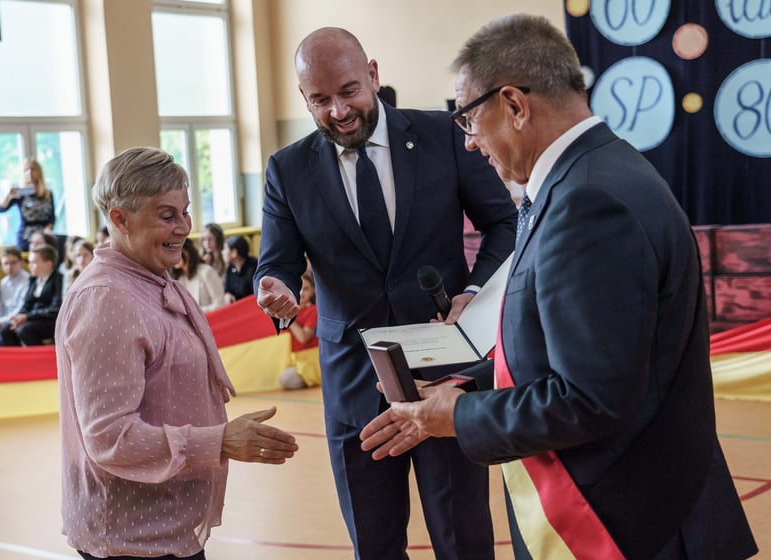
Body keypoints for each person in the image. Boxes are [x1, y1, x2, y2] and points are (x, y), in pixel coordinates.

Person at [360, 14, 758, 560]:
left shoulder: (588, 203)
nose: (470, 144)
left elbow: (589, 398)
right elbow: (568, 350)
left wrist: (455, 416)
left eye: (467, 120)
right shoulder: (594, 176)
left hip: (628, 523)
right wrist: (458, 389)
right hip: (643, 508)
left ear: (515, 105)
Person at [254, 27, 517, 560]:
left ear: (373, 75)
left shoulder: (444, 134)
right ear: (304, 99)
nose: (339, 111)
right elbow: (277, 262)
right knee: (374, 547)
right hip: (354, 386)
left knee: (464, 540)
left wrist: (472, 292)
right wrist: (274, 287)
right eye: (320, 100)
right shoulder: (287, 169)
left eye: (348, 91)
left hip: (446, 380)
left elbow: (505, 227)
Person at [55, 146, 298, 560]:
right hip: (130, 537)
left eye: (185, 212)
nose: (185, 227)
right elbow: (109, 437)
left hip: (162, 526)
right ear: (119, 219)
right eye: (167, 215)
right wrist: (219, 441)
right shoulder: (107, 299)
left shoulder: (152, 280)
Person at [0, 245, 63, 346]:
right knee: (6, 329)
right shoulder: (34, 280)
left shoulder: (58, 280)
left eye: (33, 262)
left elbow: (55, 309)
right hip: (33, 318)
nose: (29, 265)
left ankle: (39, 359)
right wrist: (18, 317)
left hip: (49, 320)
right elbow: (27, 303)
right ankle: (19, 359)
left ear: (48, 264)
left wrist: (27, 317)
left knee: (24, 330)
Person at [0, 158, 55, 251]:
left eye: (33, 169)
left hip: (44, 235)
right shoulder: (20, 193)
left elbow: (52, 216)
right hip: (27, 236)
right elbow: (1, 209)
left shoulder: (48, 194)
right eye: (26, 170)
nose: (30, 173)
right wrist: (9, 195)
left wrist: (48, 228)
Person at [278, 269, 319, 390]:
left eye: (306, 289)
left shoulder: (313, 310)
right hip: (294, 359)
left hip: (310, 361)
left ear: (313, 291)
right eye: (298, 288)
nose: (301, 293)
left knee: (285, 379)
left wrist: (289, 319)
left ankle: (315, 377)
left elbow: (303, 337)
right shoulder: (288, 309)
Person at [171, 237, 225, 312]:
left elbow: (221, 304)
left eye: (175, 252)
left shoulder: (207, 272)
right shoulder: (178, 277)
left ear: (187, 251)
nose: (172, 257)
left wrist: (194, 312)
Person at [222, 235, 257, 303]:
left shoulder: (253, 269)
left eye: (224, 249)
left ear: (234, 253)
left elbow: (256, 296)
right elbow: (227, 290)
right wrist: (227, 295)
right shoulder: (231, 268)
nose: (222, 252)